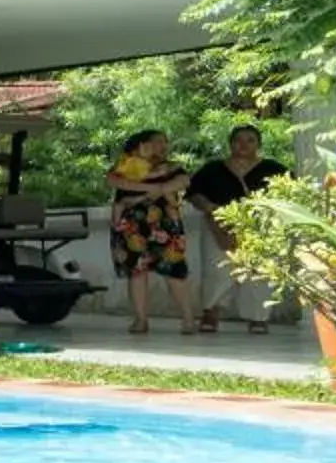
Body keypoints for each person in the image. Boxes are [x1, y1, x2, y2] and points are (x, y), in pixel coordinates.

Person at [187, 124, 287, 334]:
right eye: (238, 140)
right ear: (230, 143)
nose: (243, 144)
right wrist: (209, 208)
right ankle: (210, 312)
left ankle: (258, 317)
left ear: (258, 144)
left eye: (250, 140)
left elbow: (289, 196)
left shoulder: (274, 169)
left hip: (260, 229)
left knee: (259, 273)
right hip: (218, 226)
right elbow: (194, 193)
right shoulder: (212, 169)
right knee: (216, 271)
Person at [109, 130, 194, 333]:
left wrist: (162, 186)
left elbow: (183, 182)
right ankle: (140, 319)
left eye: (165, 142)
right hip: (132, 225)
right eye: (157, 142)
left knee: (174, 270)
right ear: (141, 145)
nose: (163, 146)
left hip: (165, 223)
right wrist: (148, 190)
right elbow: (113, 181)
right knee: (137, 271)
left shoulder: (171, 167)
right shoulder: (126, 166)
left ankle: (188, 319)